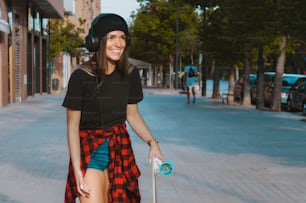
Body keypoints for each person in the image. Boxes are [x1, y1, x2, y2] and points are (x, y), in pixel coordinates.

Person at [62, 13, 166, 203]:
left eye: (122, 37)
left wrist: (152, 142)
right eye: (111, 37)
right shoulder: (81, 77)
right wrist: (77, 169)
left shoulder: (130, 74)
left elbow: (132, 115)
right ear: (96, 41)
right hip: (91, 153)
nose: (118, 43)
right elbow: (72, 127)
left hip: (120, 151)